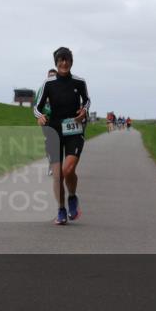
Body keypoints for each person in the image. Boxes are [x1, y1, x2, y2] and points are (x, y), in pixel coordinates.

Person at [33, 47, 90, 225]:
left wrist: (84, 111)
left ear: (71, 62)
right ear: (56, 63)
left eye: (67, 59)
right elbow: (37, 107)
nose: (64, 63)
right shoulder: (48, 84)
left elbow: (87, 100)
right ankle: (61, 209)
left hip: (74, 130)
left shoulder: (79, 82)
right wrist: (40, 116)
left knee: (68, 170)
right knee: (58, 175)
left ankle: (72, 197)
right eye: (60, 60)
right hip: (54, 131)